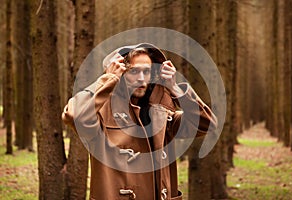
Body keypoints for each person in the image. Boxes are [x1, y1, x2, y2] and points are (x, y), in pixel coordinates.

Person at [62, 43, 217, 200]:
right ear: (120, 72)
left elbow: (207, 123)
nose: (141, 78)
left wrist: (176, 89)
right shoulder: (100, 113)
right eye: (134, 71)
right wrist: (108, 79)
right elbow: (73, 116)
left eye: (147, 71)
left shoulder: (162, 114)